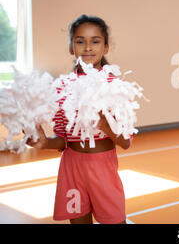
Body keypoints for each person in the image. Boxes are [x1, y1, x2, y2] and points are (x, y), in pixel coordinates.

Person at [27, 14, 131, 224]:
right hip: (71, 169)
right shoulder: (62, 88)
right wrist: (45, 142)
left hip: (102, 169)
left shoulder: (115, 86)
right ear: (71, 47)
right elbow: (63, 140)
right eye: (80, 41)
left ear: (106, 47)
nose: (88, 47)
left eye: (95, 41)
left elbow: (126, 142)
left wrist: (105, 124)